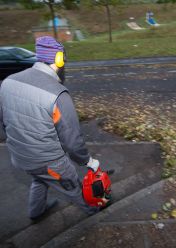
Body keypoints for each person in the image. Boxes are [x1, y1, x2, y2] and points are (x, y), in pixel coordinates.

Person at [0, 36, 105, 221]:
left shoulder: (8, 82)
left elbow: (5, 120)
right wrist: (88, 162)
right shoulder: (57, 94)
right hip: (47, 161)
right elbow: (72, 142)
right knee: (72, 186)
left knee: (39, 178)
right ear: (59, 59)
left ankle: (36, 212)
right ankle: (95, 214)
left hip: (19, 157)